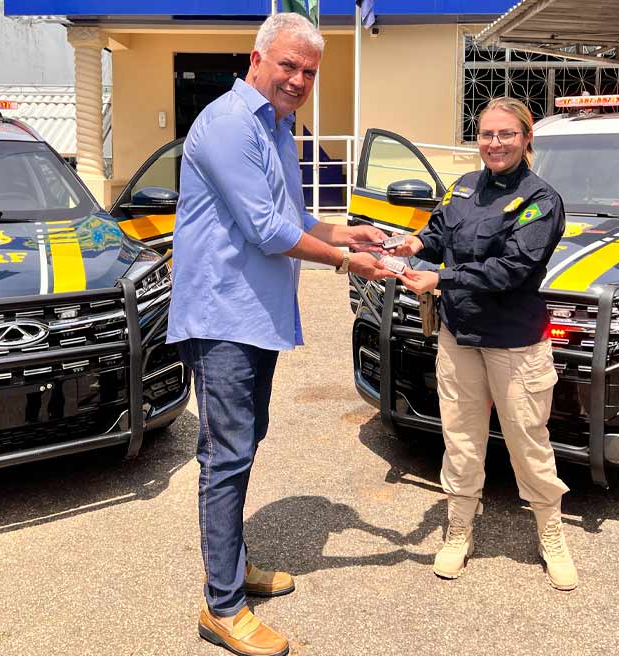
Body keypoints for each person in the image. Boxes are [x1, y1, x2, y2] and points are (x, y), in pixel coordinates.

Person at [166, 13, 396, 656]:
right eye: (289, 65)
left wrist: (342, 234)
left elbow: (288, 218)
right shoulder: (230, 124)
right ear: (257, 59)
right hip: (221, 319)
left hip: (254, 317)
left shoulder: (277, 126)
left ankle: (232, 571)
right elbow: (268, 232)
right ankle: (222, 606)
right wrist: (351, 263)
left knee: (243, 443)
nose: (298, 79)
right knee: (226, 455)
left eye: (309, 71)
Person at [389, 97, 577, 590]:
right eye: (487, 134)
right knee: (461, 440)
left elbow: (512, 269)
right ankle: (458, 531)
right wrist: (411, 245)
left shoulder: (542, 200)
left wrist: (440, 281)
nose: (495, 144)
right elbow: (439, 232)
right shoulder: (464, 186)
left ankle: (551, 533)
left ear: (525, 138)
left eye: (506, 135)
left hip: (515, 344)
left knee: (527, 443)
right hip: (459, 338)